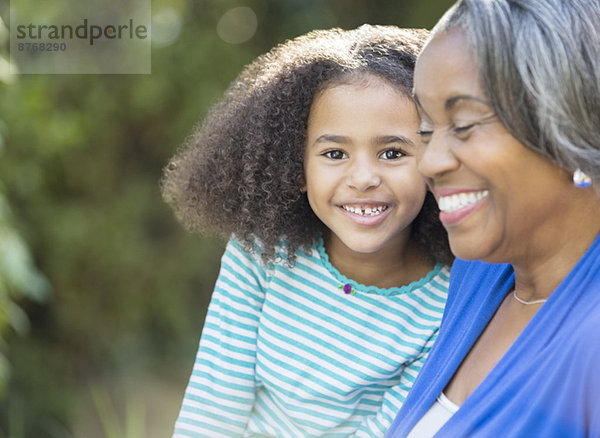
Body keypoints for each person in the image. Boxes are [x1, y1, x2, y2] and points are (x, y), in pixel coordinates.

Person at [161, 25, 453, 437]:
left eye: (392, 152)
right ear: (296, 169)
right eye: (334, 153)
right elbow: (212, 410)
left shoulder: (446, 301)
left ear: (434, 160)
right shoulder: (261, 253)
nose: (364, 178)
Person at [385, 1, 600, 437]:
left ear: (574, 123)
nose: (430, 162)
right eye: (426, 129)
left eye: (463, 125)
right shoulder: (481, 272)